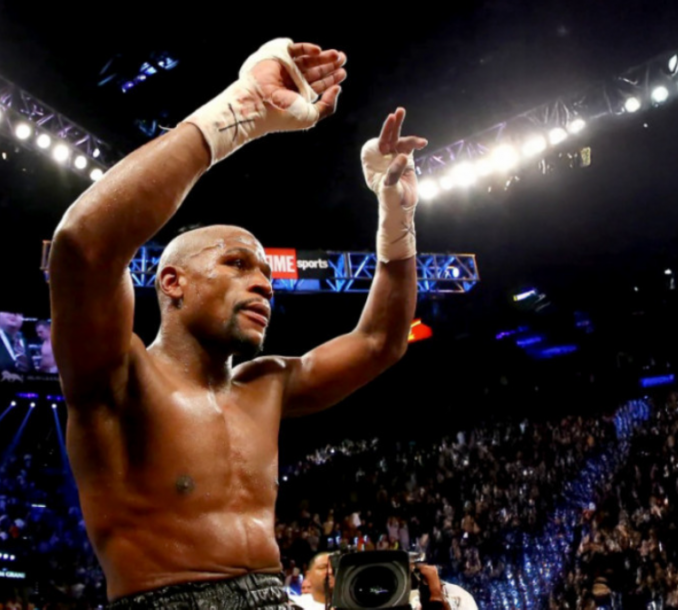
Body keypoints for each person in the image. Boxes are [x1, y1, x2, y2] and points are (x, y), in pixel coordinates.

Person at [49, 37, 425, 608]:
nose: (264, 284)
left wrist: (396, 213)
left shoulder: (265, 385)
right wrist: (242, 109)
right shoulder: (118, 377)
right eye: (237, 264)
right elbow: (83, 245)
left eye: (267, 274)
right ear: (172, 282)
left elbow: (380, 341)